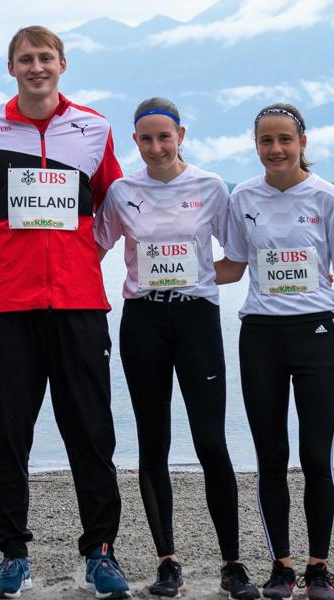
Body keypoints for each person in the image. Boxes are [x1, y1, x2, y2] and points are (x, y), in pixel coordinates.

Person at [0, 25, 130, 600]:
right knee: (8, 436)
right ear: (11, 67)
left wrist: (86, 253)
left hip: (79, 303)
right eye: (26, 59)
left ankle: (100, 552)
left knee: (92, 432)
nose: (37, 67)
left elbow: (116, 202)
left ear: (63, 64)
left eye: (46, 58)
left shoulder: (94, 127)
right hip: (6, 304)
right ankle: (13, 555)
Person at [94, 97, 261, 600]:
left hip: (196, 319)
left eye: (164, 137)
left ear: (181, 136)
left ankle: (232, 564)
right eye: (146, 139)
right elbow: (92, 246)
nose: (156, 147)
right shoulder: (122, 191)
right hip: (143, 319)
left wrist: (202, 279)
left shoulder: (211, 187)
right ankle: (168, 561)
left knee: (211, 442)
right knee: (153, 442)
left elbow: (236, 257)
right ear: (135, 142)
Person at [216, 103, 334, 600]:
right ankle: (282, 566)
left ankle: (318, 566)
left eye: (284, 140)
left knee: (316, 455)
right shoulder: (242, 198)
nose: (275, 149)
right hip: (259, 336)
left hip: (317, 335)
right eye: (265, 141)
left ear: (303, 143)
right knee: (271, 455)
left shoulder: (329, 198)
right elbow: (233, 266)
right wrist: (163, 267)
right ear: (255, 145)